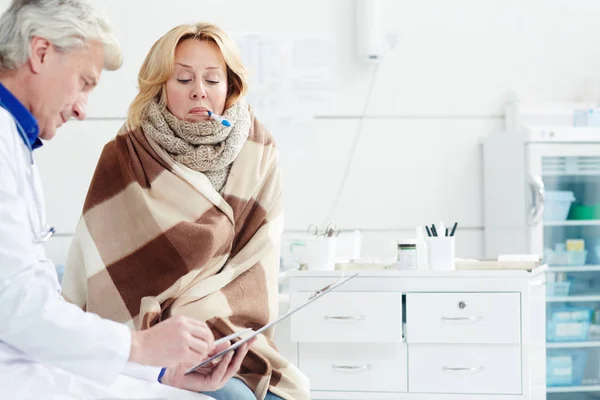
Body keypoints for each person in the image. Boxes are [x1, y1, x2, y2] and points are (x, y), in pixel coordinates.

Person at [0, 1, 250, 398]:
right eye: (84, 82)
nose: (82, 109)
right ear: (41, 52)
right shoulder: (120, 154)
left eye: (212, 80)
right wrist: (141, 348)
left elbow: (34, 305)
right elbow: (16, 304)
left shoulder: (15, 142)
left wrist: (157, 371)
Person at [61, 22, 310, 400]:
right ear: (161, 85)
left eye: (213, 80)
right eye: (183, 79)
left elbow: (256, 263)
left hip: (232, 338)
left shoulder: (259, 153)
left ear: (231, 86)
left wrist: (205, 324)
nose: (199, 91)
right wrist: (175, 335)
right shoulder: (125, 156)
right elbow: (96, 266)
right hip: (149, 344)